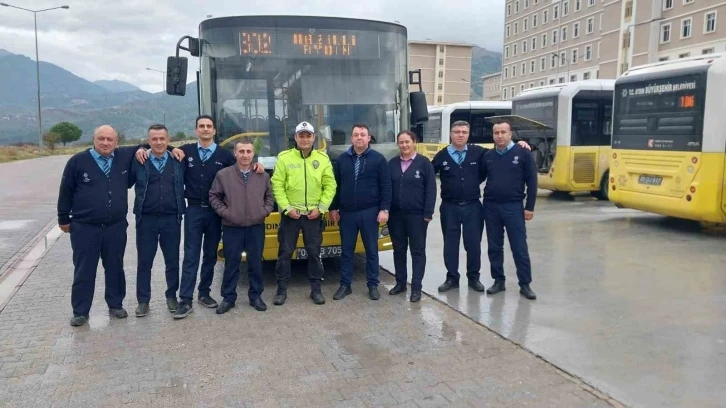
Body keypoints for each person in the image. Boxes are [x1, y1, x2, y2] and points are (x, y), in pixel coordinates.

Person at [136, 115, 264, 319]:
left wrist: (257, 164)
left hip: (216, 212)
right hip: (193, 209)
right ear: (196, 130)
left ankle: (204, 293)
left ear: (214, 131)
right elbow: (160, 147)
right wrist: (142, 148)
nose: (205, 129)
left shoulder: (224, 154)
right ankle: (185, 299)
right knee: (191, 254)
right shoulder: (185, 151)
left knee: (211, 254)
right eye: (201, 126)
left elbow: (244, 162)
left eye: (209, 126)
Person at [58, 125, 183, 327]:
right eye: (102, 139)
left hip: (115, 226)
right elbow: (65, 190)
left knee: (115, 268)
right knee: (84, 269)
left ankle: (115, 304)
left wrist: (171, 149)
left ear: (117, 142)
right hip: (85, 226)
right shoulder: (77, 161)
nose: (106, 143)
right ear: (94, 139)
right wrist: (63, 217)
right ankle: (80, 311)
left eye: (110, 139)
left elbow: (151, 145)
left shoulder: (123, 156)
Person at [432, 121, 530, 294]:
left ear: (469, 134)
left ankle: (473, 277)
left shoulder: (479, 153)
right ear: (451, 134)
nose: (460, 135)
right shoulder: (442, 156)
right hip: (449, 208)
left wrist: (521, 144)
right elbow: (428, 173)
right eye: (456, 132)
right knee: (450, 244)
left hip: (473, 207)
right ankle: (452, 278)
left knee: (473, 245)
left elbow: (501, 151)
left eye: (464, 132)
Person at [271, 121, 336, 306]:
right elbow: (277, 185)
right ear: (296, 138)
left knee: (314, 253)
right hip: (291, 215)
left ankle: (316, 289)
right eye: (302, 135)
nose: (305, 139)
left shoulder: (322, 159)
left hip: (313, 216)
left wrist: (321, 208)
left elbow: (330, 186)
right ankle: (281, 290)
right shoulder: (284, 158)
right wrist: (287, 208)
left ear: (314, 137)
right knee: (285, 252)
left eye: (308, 135)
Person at [209, 138, 274, 314]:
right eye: (242, 151)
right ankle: (228, 298)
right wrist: (226, 212)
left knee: (255, 264)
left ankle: (256, 297)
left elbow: (270, 197)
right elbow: (214, 196)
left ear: (253, 153)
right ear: (235, 153)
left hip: (256, 226)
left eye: (249, 151)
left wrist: (264, 211)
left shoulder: (262, 175)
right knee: (232, 264)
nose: (245, 155)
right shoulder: (224, 175)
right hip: (232, 227)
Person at [329, 124, 392, 301]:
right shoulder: (341, 159)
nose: (359, 138)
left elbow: (386, 186)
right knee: (346, 251)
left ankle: (373, 285)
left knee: (371, 250)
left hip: (370, 212)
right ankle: (345, 285)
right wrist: (333, 207)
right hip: (347, 213)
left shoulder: (378, 159)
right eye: (356, 135)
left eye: (363, 135)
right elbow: (336, 186)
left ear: (369, 137)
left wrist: (384, 209)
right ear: (351, 138)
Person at [129, 124, 186, 317]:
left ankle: (171, 296)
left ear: (168, 140)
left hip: (172, 218)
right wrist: (139, 148)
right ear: (148, 140)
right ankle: (143, 301)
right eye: (154, 139)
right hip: (146, 220)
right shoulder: (139, 160)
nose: (159, 142)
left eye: (162, 139)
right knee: (145, 261)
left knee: (172, 261)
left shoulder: (178, 160)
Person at [481, 121, 538, 300]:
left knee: (519, 246)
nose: (500, 135)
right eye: (496, 132)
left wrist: (529, 207)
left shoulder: (523, 153)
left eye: (503, 132)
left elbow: (533, 182)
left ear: (510, 134)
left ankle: (525, 284)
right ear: (493, 135)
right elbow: (478, 176)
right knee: (494, 246)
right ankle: (499, 280)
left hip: (514, 207)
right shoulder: (488, 156)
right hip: (491, 207)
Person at [387, 130, 436, 302]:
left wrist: (428, 213)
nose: (404, 145)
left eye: (407, 141)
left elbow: (431, 189)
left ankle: (416, 288)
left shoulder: (424, 163)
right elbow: (386, 189)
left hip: (417, 216)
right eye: (401, 142)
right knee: (399, 249)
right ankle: (400, 283)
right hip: (396, 215)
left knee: (417, 251)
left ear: (414, 142)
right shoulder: (392, 164)